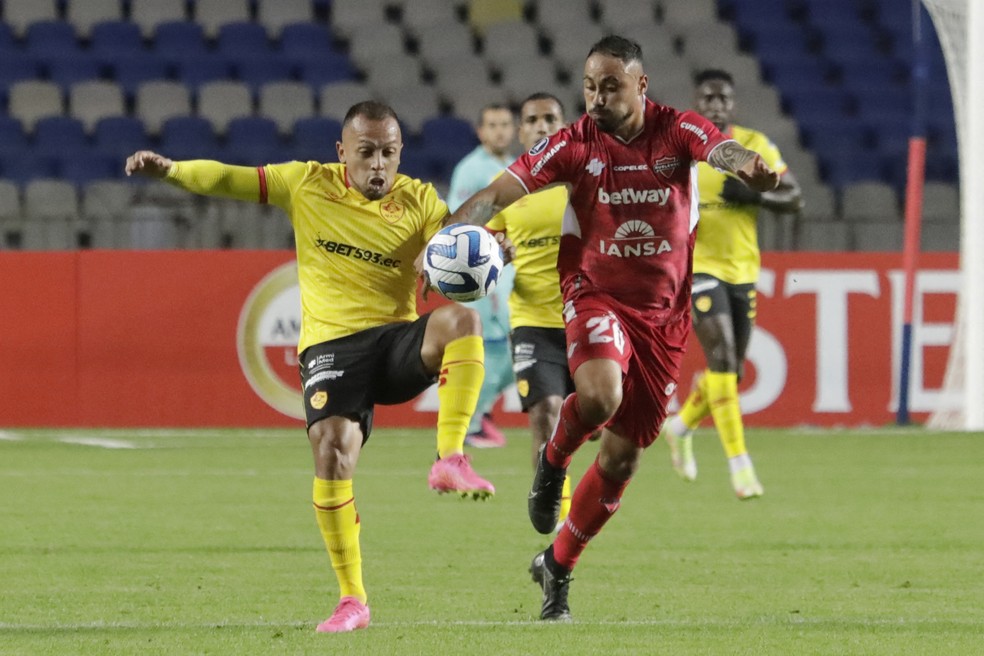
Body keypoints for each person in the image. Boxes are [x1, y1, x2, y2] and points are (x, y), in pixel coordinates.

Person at [124, 101, 497, 634]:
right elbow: (230, 179)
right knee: (332, 451)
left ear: (400, 154)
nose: (377, 165)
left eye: (388, 153)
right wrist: (172, 171)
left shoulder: (420, 201)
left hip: (395, 340)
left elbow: (461, 242)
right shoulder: (305, 184)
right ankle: (353, 600)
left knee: (461, 320)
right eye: (365, 152)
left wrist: (481, 246)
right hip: (332, 347)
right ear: (341, 151)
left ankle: (451, 456)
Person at [445, 36, 780, 621]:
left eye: (610, 86)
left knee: (623, 461)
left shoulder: (678, 131)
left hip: (663, 315)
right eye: (589, 86)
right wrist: (448, 234)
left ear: (641, 85)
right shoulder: (574, 143)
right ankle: (553, 463)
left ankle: (557, 567)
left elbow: (720, 149)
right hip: (593, 292)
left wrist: (748, 167)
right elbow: (502, 190)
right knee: (598, 394)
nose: (596, 97)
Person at [661, 69, 803, 499]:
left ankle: (681, 425)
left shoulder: (755, 146)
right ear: (696, 102)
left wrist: (757, 194)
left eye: (724, 98)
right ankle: (740, 467)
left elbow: (794, 197)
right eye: (708, 98)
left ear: (732, 105)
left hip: (742, 269)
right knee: (720, 356)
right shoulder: (682, 147)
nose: (716, 105)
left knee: (732, 372)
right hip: (697, 267)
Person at [485, 92, 576, 526]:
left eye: (551, 118)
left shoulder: (587, 183)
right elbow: (486, 251)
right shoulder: (507, 192)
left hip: (587, 320)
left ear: (565, 126)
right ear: (521, 132)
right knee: (547, 415)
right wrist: (496, 255)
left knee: (588, 426)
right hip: (533, 323)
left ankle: (571, 513)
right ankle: (558, 516)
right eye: (533, 119)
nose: (542, 126)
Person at [447, 103, 518, 448]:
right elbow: (459, 221)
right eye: (493, 125)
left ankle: (481, 412)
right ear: (481, 131)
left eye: (505, 124)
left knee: (514, 346)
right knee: (497, 349)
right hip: (483, 269)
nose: (500, 131)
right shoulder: (471, 170)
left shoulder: (511, 167)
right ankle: (473, 424)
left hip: (510, 267)